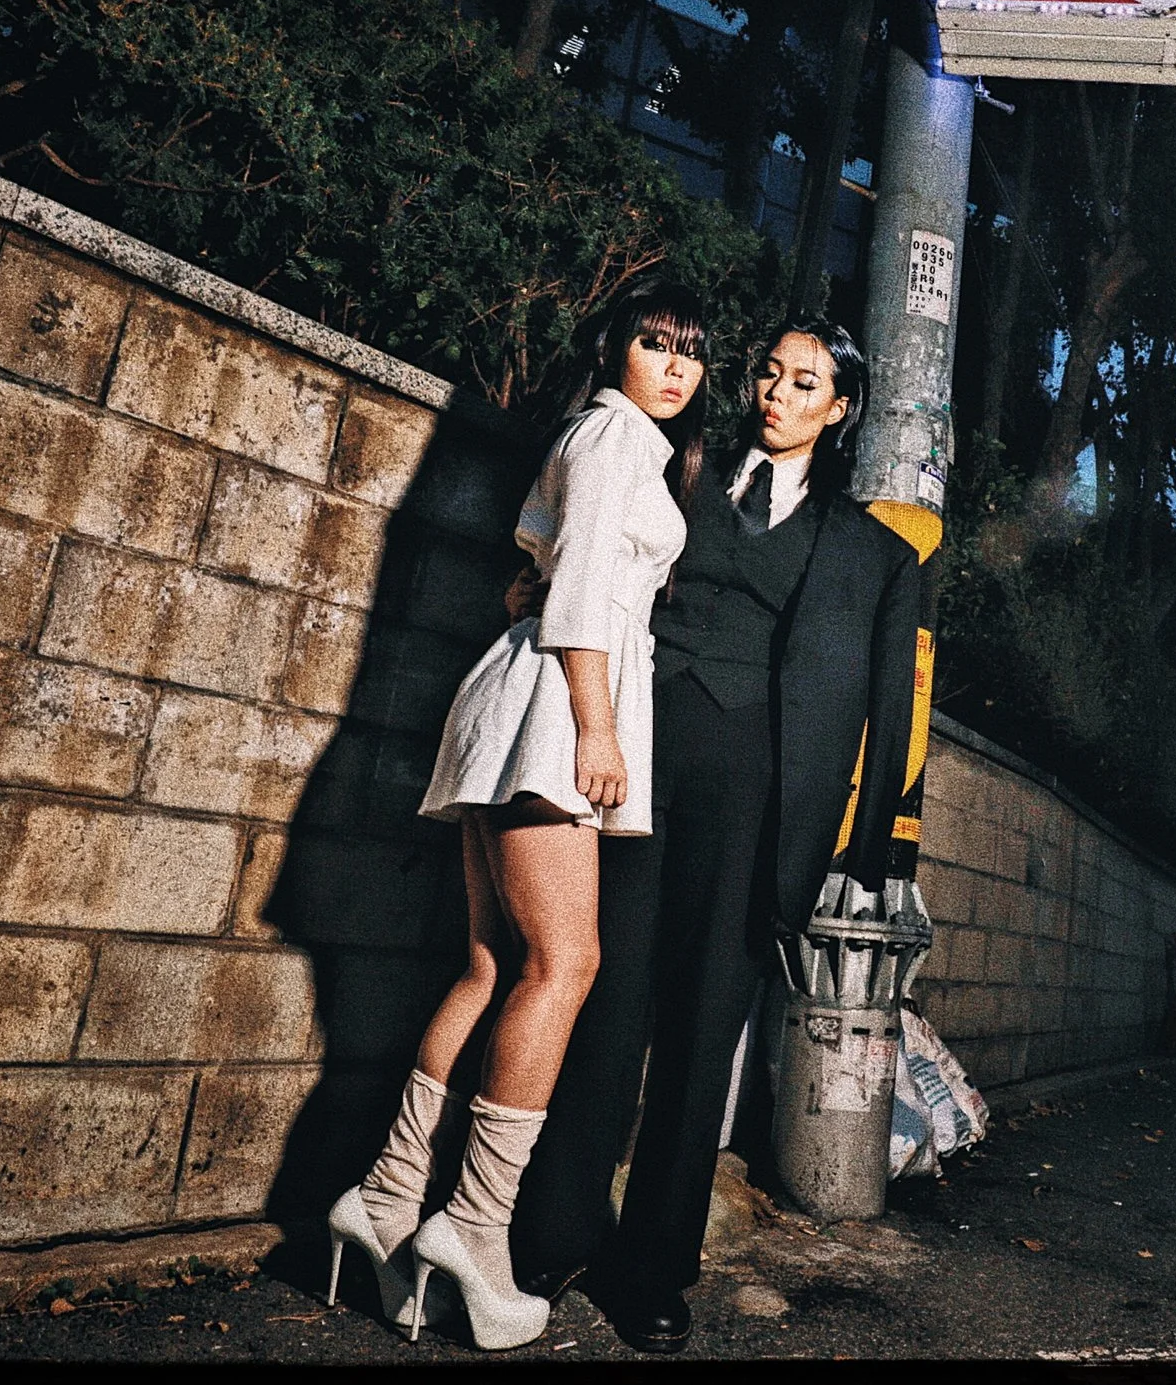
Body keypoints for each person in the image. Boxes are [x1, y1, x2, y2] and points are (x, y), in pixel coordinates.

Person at [503, 317, 923, 1353]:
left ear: (841, 408)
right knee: (608, 1000)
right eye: (770, 374)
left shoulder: (872, 550)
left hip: (759, 802)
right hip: (638, 761)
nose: (777, 393)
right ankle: (554, 1233)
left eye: (805, 382)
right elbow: (593, 554)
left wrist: (868, 852)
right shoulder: (675, 471)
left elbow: (890, 706)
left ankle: (652, 1267)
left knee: (701, 1038)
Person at [326, 280, 710, 1351]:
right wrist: (597, 729)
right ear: (616, 348)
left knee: (493, 965)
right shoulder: (619, 438)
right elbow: (581, 586)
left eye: (690, 353)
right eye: (655, 343)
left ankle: (387, 1196)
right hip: (558, 708)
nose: (675, 367)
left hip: (524, 691)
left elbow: (541, 572)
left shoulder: (594, 434)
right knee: (565, 964)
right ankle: (476, 1226)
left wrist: (536, 611)